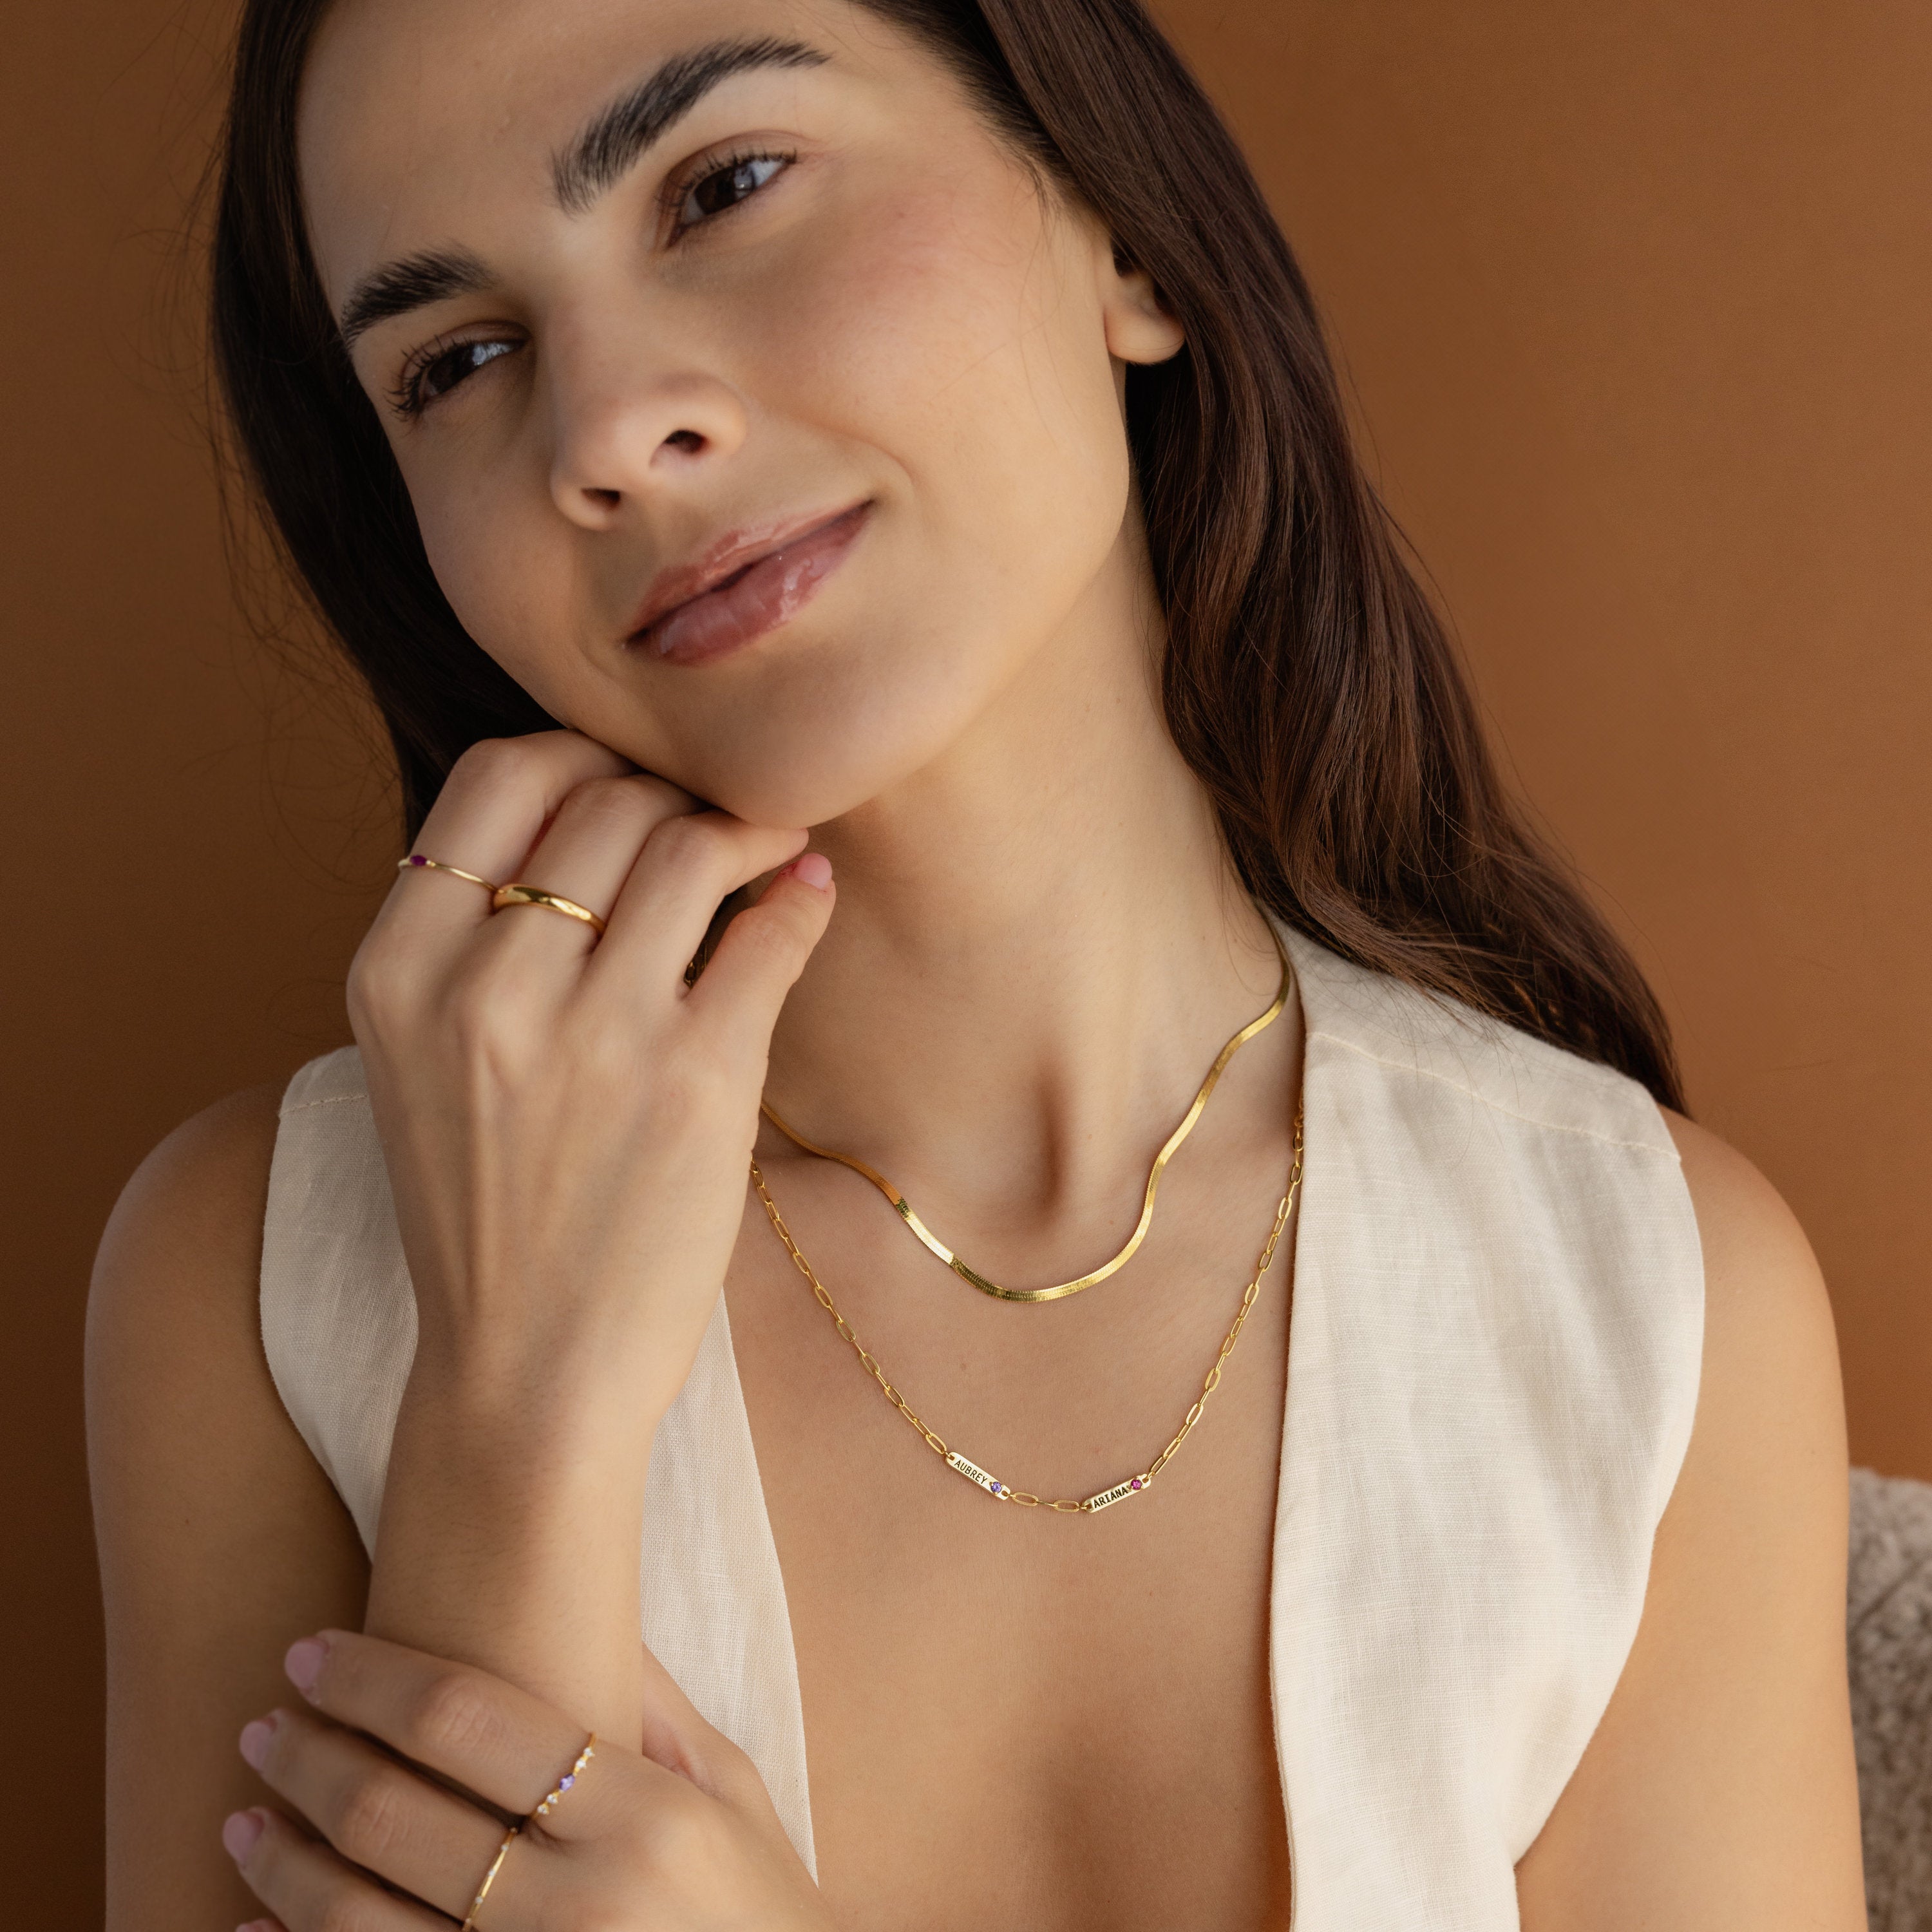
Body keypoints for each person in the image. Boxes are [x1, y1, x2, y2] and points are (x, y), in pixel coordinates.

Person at [86, 0, 1866, 1926]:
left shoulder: (1642, 1304)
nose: (606, 432)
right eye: (459, 359)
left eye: (728, 184)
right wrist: (508, 1427)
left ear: (1123, 230)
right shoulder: (257, 1287)